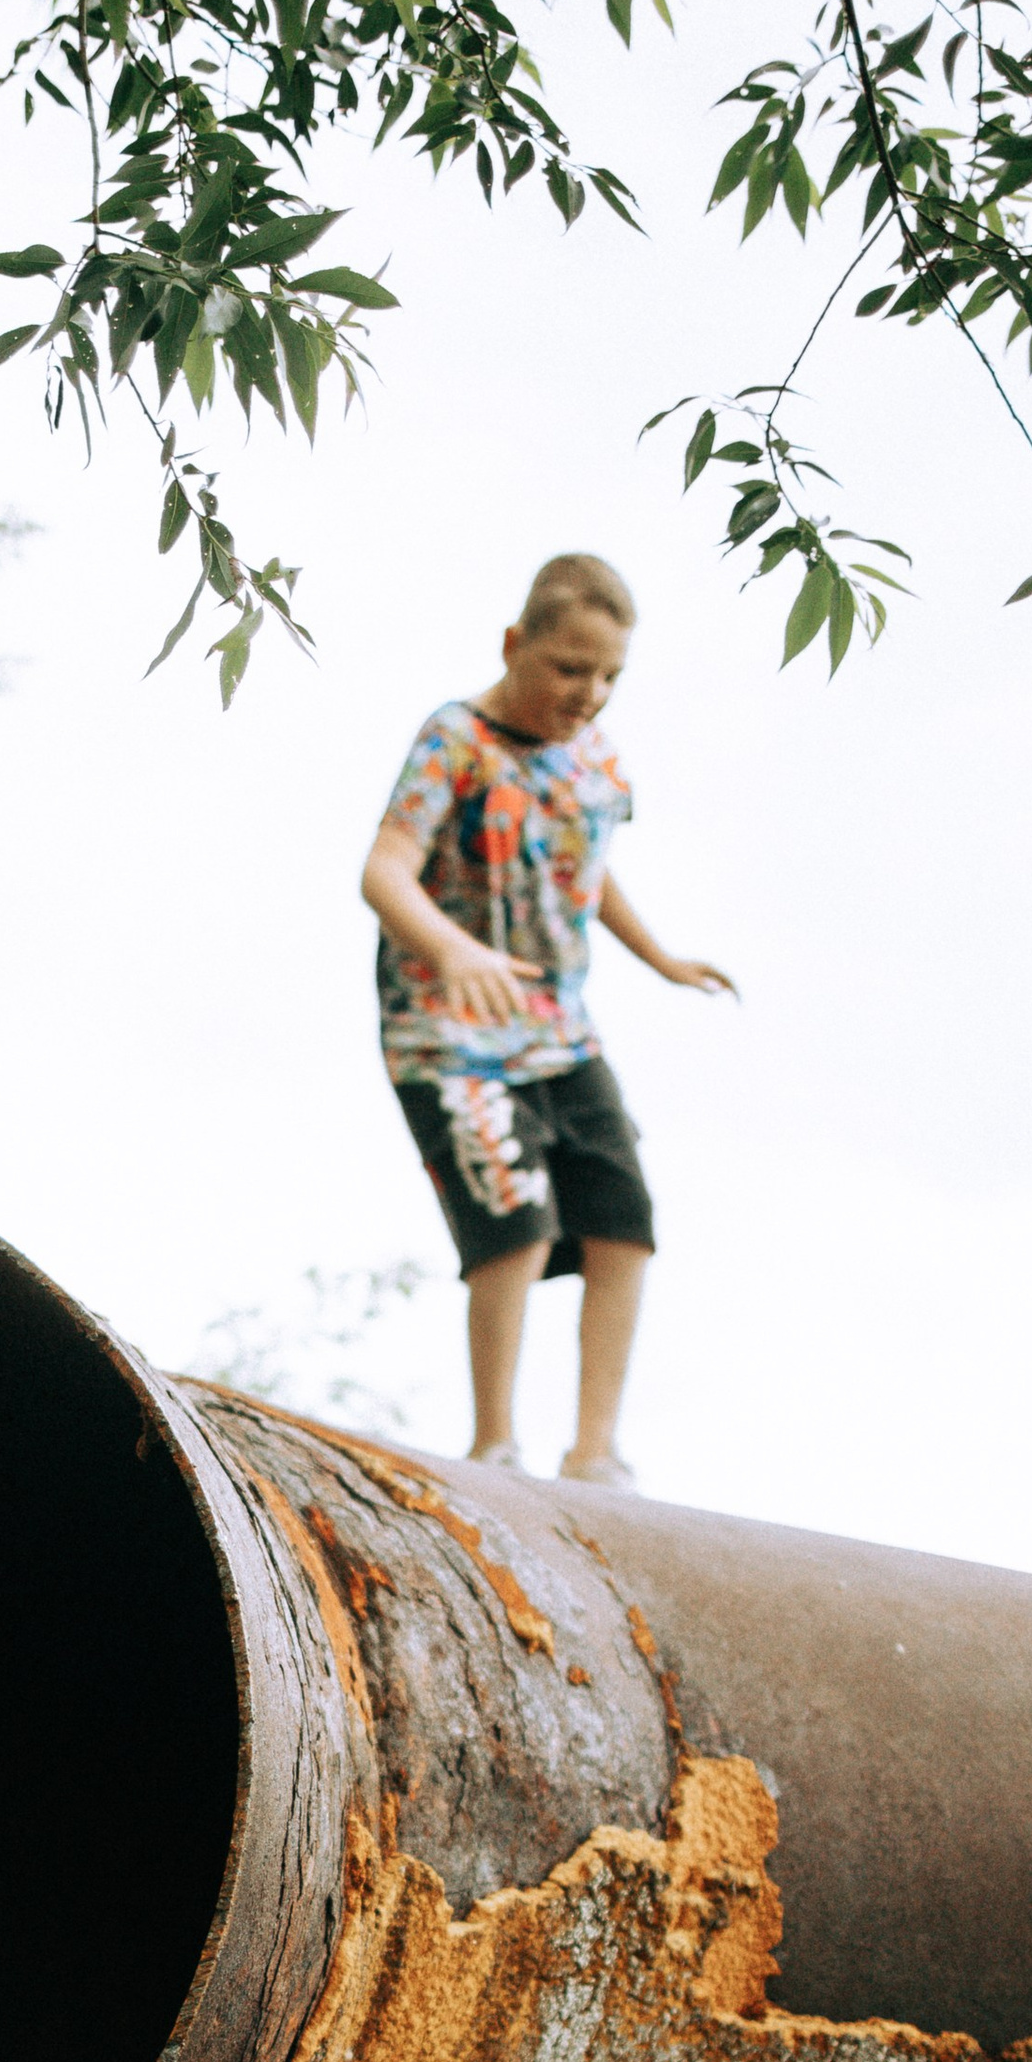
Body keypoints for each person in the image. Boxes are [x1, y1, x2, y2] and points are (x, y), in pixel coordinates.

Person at [358, 552, 736, 1486]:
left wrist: (658, 957)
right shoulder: (455, 741)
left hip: (559, 1030)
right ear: (514, 645)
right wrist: (453, 948)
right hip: (448, 1036)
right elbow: (383, 870)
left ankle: (594, 1450)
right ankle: (496, 1442)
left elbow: (587, 869)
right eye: (570, 669)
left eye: (609, 676)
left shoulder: (594, 761)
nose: (590, 693)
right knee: (515, 1223)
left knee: (624, 1221)